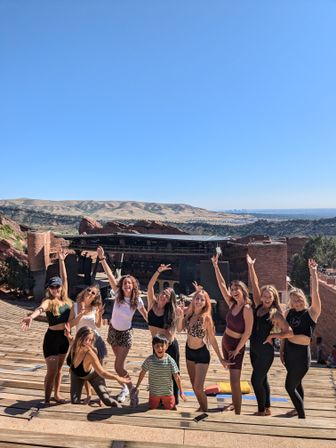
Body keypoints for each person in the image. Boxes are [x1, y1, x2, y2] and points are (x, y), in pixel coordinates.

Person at [97, 246, 148, 404]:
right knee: (119, 366)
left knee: (118, 366)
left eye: (129, 284)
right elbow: (110, 275)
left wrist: (156, 328)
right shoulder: (118, 294)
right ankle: (125, 387)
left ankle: (132, 390)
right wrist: (102, 258)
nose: (127, 285)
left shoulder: (137, 300)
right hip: (113, 332)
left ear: (133, 286)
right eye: (125, 283)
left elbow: (146, 315)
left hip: (126, 334)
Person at [21, 253, 72, 405]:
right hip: (51, 339)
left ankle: (56, 395)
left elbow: (65, 277)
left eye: (58, 286)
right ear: (49, 289)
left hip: (64, 338)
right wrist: (32, 317)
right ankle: (46, 399)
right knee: (51, 371)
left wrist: (62, 260)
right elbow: (40, 309)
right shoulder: (48, 301)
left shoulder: (66, 300)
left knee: (59, 369)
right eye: (53, 287)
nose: (56, 288)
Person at [247, 254, 293, 416]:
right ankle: (267, 407)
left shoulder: (275, 313)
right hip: (253, 349)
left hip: (266, 351)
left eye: (269, 296)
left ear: (274, 298)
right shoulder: (259, 306)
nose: (266, 298)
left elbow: (289, 332)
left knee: (255, 380)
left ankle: (260, 410)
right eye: (264, 296)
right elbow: (255, 284)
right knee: (263, 379)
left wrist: (274, 337)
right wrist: (251, 266)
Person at [177, 282, 231, 412]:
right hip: (189, 352)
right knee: (193, 385)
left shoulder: (206, 318)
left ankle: (204, 411)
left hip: (201, 354)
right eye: (197, 298)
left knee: (198, 387)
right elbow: (179, 329)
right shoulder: (189, 314)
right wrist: (180, 317)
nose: (199, 301)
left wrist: (221, 358)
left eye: (202, 299)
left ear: (206, 303)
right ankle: (201, 406)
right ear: (193, 300)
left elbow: (212, 339)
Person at [212, 254, 254, 415]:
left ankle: (238, 413)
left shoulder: (247, 308)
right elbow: (222, 285)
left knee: (235, 382)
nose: (234, 291)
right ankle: (234, 405)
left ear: (243, 291)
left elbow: (248, 332)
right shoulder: (232, 303)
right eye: (233, 289)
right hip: (226, 343)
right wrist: (216, 266)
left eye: (237, 289)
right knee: (231, 378)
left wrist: (237, 350)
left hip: (236, 347)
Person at [280, 259, 321, 418]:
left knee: (289, 387)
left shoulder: (311, 313)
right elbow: (284, 334)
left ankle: (302, 416)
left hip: (302, 357)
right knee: (297, 384)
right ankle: (298, 408)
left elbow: (316, 293)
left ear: (304, 298)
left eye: (299, 298)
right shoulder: (288, 313)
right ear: (290, 301)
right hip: (289, 355)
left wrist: (313, 273)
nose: (297, 301)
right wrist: (282, 352)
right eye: (294, 299)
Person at [65, 325, 130, 406]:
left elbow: (102, 372)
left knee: (107, 400)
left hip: (94, 376)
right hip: (76, 375)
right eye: (86, 339)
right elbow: (70, 339)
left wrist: (117, 378)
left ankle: (119, 409)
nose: (88, 342)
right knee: (74, 402)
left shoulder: (90, 354)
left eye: (90, 340)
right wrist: (67, 334)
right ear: (79, 337)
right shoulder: (75, 344)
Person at [147, 264, 180, 404]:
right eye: (164, 293)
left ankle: (174, 400)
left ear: (169, 300)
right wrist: (158, 270)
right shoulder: (152, 304)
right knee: (157, 372)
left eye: (167, 296)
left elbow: (172, 336)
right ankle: (160, 399)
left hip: (169, 346)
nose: (164, 296)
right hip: (156, 345)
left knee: (172, 374)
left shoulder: (170, 313)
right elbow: (150, 286)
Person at [134, 334, 186, 410]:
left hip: (168, 394)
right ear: (153, 347)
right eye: (157, 346)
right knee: (151, 409)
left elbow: (176, 377)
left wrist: (181, 392)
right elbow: (142, 373)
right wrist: (137, 386)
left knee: (171, 410)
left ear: (167, 346)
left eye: (162, 345)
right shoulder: (150, 360)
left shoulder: (170, 360)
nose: (160, 348)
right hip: (154, 393)